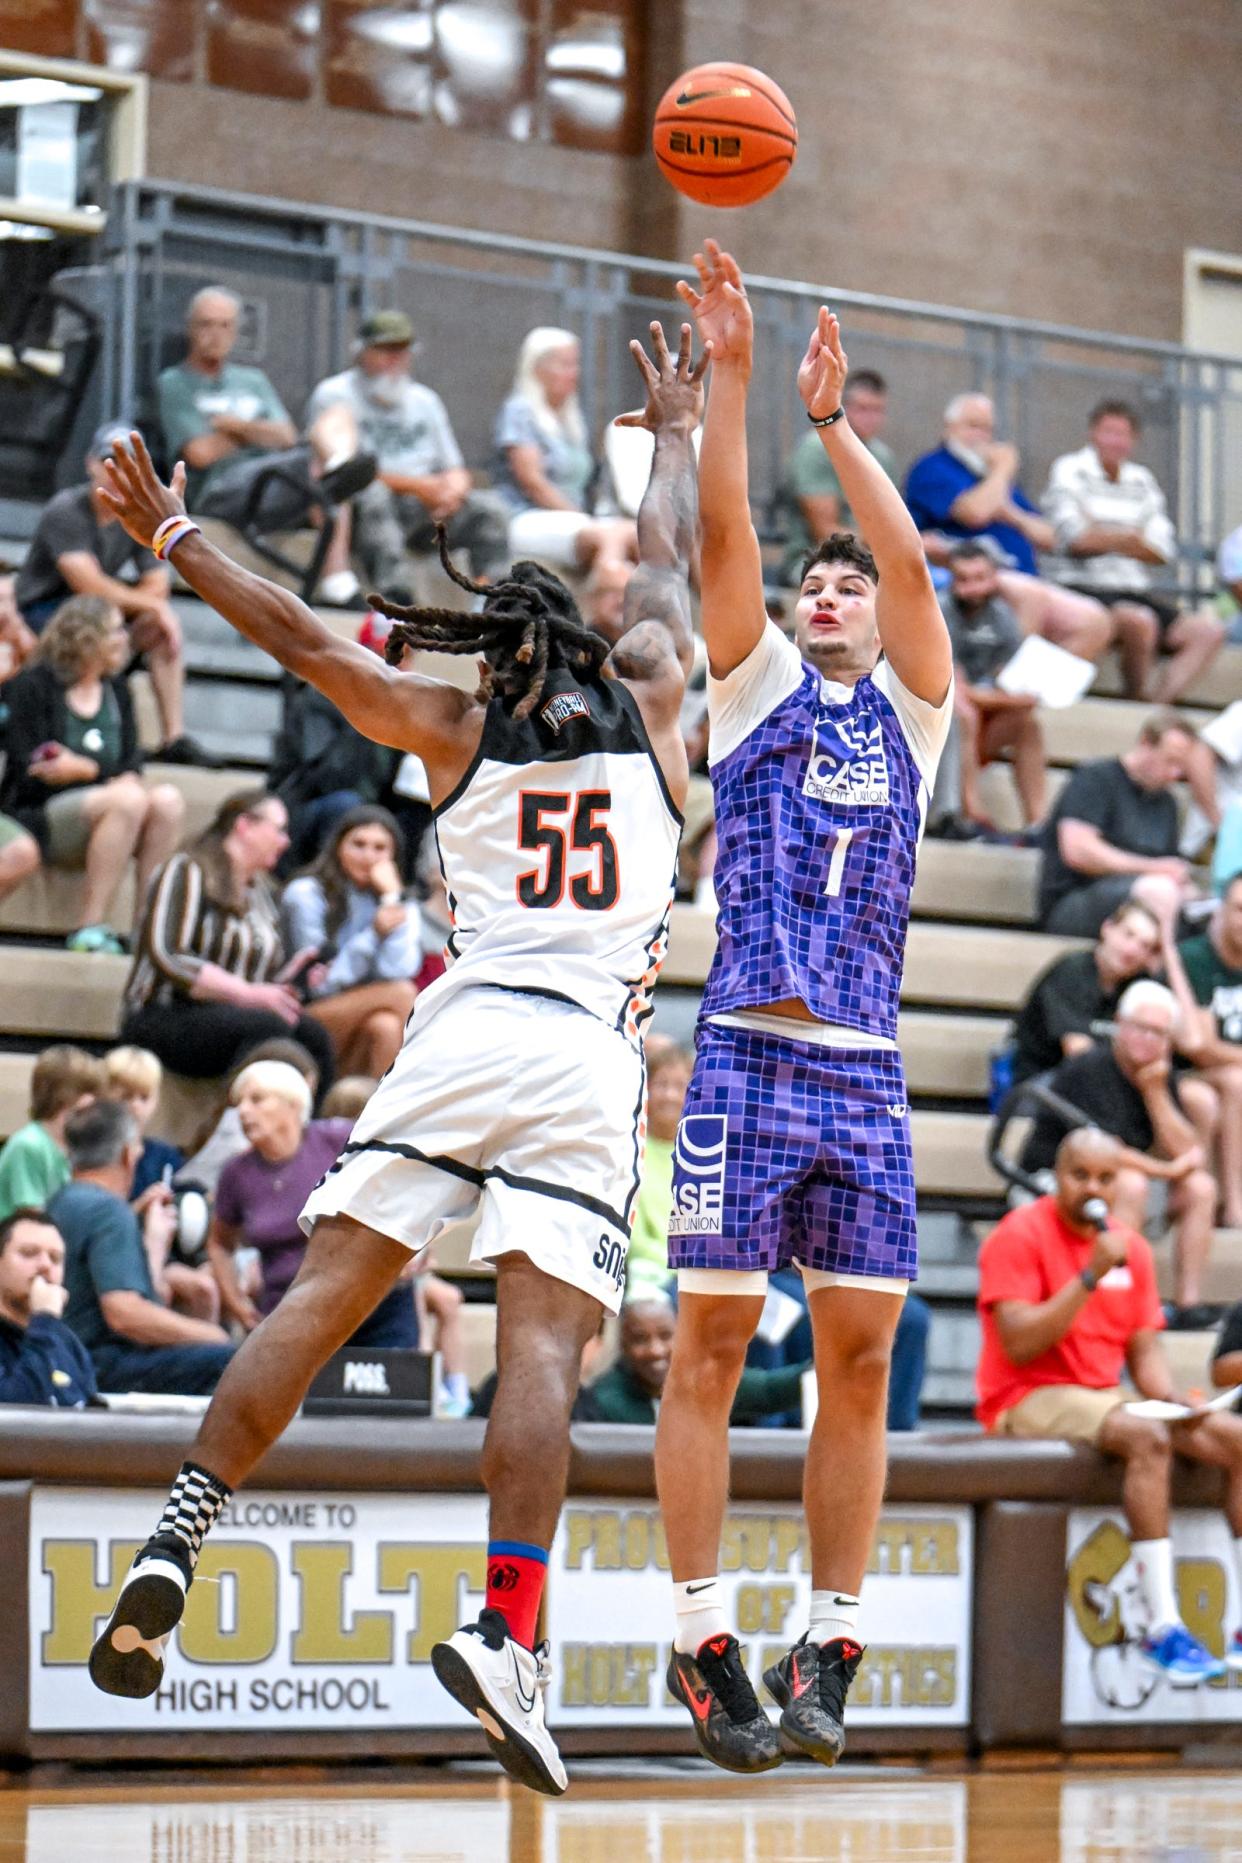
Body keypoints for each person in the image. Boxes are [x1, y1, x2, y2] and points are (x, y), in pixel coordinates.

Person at [86, 320, 699, 1803]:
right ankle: (505, 1625)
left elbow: (297, 630)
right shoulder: (663, 707)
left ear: (494, 646)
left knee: (325, 1292)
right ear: (600, 648)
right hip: (581, 1059)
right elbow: (669, 564)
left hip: (463, 1022)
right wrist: (674, 430)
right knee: (543, 1342)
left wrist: (172, 529)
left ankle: (176, 1532)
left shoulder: (443, 722)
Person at [657, 244, 952, 1774]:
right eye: (815, 578)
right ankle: (702, 1634)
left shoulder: (912, 708)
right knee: (705, 1350)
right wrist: (737, 380)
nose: (832, 590)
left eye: (845, 580)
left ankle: (827, 1635)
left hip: (868, 1071)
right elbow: (719, 527)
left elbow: (913, 573)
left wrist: (840, 431)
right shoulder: (754, 686)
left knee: (855, 1361)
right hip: (744, 1056)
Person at [978, 1126, 1242, 1683]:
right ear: (1058, 1175)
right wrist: (1089, 1274)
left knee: (1232, 1438)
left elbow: (1144, 1355)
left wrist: (1171, 1398)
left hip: (1104, 1395)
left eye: (1105, 1177)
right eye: (1081, 1176)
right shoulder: (1018, 1234)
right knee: (1146, 1438)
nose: (1093, 1188)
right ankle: (1161, 1626)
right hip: (1025, 1395)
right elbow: (1019, 1343)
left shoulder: (1132, 1247)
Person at [1018, 981, 1217, 1323]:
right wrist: (1168, 1172)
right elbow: (1104, 1152)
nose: (1148, 1040)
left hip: (1113, 1180)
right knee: (1130, 1183)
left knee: (1201, 1188)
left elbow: (1189, 1153)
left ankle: (1186, 1305)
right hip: (1052, 1179)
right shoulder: (1091, 1068)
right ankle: (1115, 1300)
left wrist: (1155, 1093)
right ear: (1120, 1025)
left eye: (1159, 1033)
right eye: (1141, 1029)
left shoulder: (1156, 1073)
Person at [157, 286, 372, 599]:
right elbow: (200, 453)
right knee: (312, 463)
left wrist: (234, 428)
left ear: (236, 331)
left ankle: (337, 468)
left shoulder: (252, 381)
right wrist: (259, 432)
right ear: (191, 329)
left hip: (275, 480)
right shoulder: (175, 383)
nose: (215, 334)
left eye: (225, 325)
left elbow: (285, 435)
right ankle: (336, 562)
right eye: (206, 324)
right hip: (221, 490)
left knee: (337, 413)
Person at [0, 596, 186, 954]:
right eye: (115, 630)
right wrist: (99, 777)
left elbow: (131, 766)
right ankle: (90, 925)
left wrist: (86, 769)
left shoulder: (117, 690)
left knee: (168, 801)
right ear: (86, 637)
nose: (124, 639)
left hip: (108, 810)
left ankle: (148, 932)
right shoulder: (34, 685)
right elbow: (28, 771)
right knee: (128, 799)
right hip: (41, 813)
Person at [118, 789, 336, 1091]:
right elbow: (168, 953)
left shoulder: (262, 893)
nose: (286, 842)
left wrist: (289, 978)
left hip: (229, 1015)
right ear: (244, 825)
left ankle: (306, 1134)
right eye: (279, 830)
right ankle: (237, 1124)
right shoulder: (186, 870)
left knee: (314, 1038)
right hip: (164, 1013)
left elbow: (254, 979)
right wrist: (246, 993)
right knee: (269, 1029)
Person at [14, 422, 202, 760]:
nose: (115, 472)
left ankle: (173, 738)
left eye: (126, 463)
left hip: (99, 614)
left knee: (158, 630)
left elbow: (157, 585)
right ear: (89, 464)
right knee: (115, 623)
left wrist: (154, 610)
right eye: (108, 461)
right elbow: (88, 584)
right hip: (43, 611)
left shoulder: (142, 516)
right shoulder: (66, 509)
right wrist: (152, 605)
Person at [206, 1060, 413, 1343]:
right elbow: (219, 1243)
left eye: (256, 1100)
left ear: (292, 1105)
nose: (243, 1111)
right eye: (239, 1102)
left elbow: (399, 1175)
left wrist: (413, 1246)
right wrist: (235, 1302)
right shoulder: (235, 1174)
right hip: (288, 1311)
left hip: (364, 1297)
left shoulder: (335, 1138)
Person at [306, 309, 509, 593]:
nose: (395, 359)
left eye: (402, 350)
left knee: (490, 509)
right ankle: (397, 597)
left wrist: (452, 493)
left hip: (426, 509)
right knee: (374, 496)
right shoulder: (336, 394)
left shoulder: (425, 401)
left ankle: (490, 599)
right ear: (362, 352)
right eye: (385, 350)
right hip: (369, 505)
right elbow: (345, 471)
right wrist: (420, 487)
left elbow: (455, 467)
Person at [904, 393, 1111, 664]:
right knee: (1030, 595)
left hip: (1023, 576)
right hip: (969, 577)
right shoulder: (933, 467)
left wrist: (1009, 512)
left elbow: (1049, 536)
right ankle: (1002, 685)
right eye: (973, 426)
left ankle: (1026, 697)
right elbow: (975, 513)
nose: (982, 436)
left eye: (988, 429)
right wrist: (1003, 468)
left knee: (1094, 622)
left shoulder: (990, 478)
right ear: (949, 427)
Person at [1043, 401, 1224, 704]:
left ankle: (1156, 706)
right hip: (1081, 587)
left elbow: (1161, 549)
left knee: (1208, 631)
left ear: (1133, 440)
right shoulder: (1069, 469)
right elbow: (1076, 539)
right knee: (1140, 621)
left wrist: (1103, 530)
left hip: (1132, 587)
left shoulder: (1143, 480)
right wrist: (1131, 536)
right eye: (1109, 432)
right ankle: (1134, 700)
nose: (1116, 441)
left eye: (1123, 434)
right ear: (1093, 434)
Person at [51, 1101, 234, 1395]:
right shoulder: (108, 1212)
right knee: (230, 1360)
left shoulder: (60, 1202)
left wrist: (151, 1242)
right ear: (127, 1154)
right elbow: (124, 1314)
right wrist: (212, 1335)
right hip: (98, 1365)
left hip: (63, 1358)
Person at [280, 805, 421, 1077]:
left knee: (385, 1026)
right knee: (402, 993)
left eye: (380, 848)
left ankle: (368, 1114)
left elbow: (398, 969)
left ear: (393, 856)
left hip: (361, 1016)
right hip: (303, 1014)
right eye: (359, 844)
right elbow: (320, 985)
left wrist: (393, 897)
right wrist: (374, 935)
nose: (369, 856)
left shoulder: (395, 899)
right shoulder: (306, 894)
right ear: (337, 847)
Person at [1036, 711, 1200, 936]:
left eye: (1182, 767)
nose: (1175, 774)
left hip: (1142, 903)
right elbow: (1078, 851)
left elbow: (1167, 864)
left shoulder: (1167, 803)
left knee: (1209, 913)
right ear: (1145, 743)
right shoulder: (1095, 778)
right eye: (1170, 761)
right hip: (1076, 900)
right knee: (1159, 892)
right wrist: (1153, 868)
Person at [492, 326, 637, 576]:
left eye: (575, 365)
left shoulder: (570, 419)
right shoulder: (519, 411)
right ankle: (606, 598)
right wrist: (580, 517)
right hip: (526, 517)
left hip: (574, 519)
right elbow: (533, 482)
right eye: (565, 365)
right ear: (537, 369)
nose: (574, 374)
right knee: (607, 537)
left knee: (640, 535)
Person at [940, 540, 1048, 827]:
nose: (972, 589)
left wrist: (1012, 699)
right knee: (962, 712)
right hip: (941, 726)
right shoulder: (939, 612)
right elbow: (952, 688)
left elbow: (1012, 678)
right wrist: (1013, 699)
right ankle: (967, 809)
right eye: (963, 579)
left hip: (981, 724)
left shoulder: (1002, 616)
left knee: (1027, 724)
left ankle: (1038, 822)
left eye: (980, 579)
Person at [587, 1297, 810, 1425]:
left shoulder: (705, 1379)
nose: (655, 1350)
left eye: (666, 1336)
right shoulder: (603, 1400)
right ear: (623, 1346)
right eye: (639, 1340)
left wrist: (833, 1365)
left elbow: (770, 1390)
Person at [1011, 898, 1163, 1086]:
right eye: (1128, 935)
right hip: (1041, 1084)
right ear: (1107, 928)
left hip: (1103, 1085)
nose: (1132, 950)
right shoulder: (1072, 971)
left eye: (1144, 946)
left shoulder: (1140, 986)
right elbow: (1078, 1054)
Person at [1165, 873, 1242, 1229]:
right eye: (1240, 909)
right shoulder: (1195, 958)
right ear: (1221, 909)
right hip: (1184, 1072)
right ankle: (1233, 1205)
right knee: (1235, 1082)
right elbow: (1203, 1049)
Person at [778, 368, 896, 584]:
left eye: (877, 410)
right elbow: (825, 532)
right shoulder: (816, 448)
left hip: (871, 557)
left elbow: (892, 520)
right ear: (843, 407)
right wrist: (884, 542)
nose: (870, 418)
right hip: (816, 559)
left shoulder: (883, 456)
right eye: (862, 409)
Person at [0, 1208, 98, 1407]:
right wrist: (44, 1319)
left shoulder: (65, 1340)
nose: (45, 1265)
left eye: (55, 1258)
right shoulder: (48, 1330)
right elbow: (15, 1417)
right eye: (28, 1253)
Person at [0, 1045, 102, 1224]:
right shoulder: (29, 1146)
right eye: (87, 1091)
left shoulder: (73, 1148)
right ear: (64, 1096)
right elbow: (32, 1218)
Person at [626, 1042, 693, 1298]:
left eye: (679, 1087)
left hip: (703, 1271)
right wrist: (685, 1266)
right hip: (656, 1275)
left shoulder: (703, 1153)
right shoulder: (631, 1151)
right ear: (647, 1090)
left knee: (792, 1318)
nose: (670, 1096)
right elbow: (637, 1243)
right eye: (661, 1085)